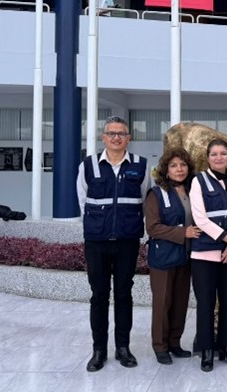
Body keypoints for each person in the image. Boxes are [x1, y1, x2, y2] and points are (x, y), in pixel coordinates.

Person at [77, 116, 151, 372]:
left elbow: (144, 200)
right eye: (111, 133)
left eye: (121, 134)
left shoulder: (140, 165)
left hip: (127, 241)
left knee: (123, 294)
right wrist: (99, 223)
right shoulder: (88, 166)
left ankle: (123, 348)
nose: (116, 138)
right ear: (103, 137)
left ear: (129, 138)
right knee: (99, 296)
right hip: (97, 242)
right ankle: (99, 350)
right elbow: (83, 201)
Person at [189, 139, 227, 372]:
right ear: (207, 158)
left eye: (223, 153)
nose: (218, 157)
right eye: (214, 154)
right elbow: (200, 218)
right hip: (205, 254)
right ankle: (207, 350)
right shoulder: (198, 181)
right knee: (206, 303)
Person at [144, 147, 202, 365]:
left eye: (183, 165)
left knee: (180, 302)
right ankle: (160, 346)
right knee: (163, 302)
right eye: (174, 165)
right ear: (166, 170)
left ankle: (175, 343)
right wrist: (182, 233)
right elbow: (153, 227)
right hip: (164, 257)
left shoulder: (192, 191)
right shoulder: (156, 193)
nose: (179, 169)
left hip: (187, 256)